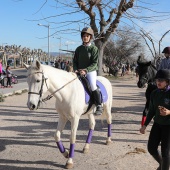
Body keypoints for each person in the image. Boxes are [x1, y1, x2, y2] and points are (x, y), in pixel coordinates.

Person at [140, 69, 170, 170]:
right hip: (157, 124)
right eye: (157, 80)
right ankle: (162, 165)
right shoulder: (154, 93)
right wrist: (144, 125)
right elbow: (151, 111)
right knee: (151, 148)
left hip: (168, 127)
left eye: (161, 80)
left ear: (167, 81)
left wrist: (169, 112)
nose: (158, 82)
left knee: (165, 153)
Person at [73, 27, 102, 115]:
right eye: (84, 36)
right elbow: (75, 61)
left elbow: (94, 63)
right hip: (79, 71)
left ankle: (99, 105)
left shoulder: (94, 49)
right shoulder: (78, 49)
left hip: (90, 71)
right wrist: (75, 69)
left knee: (93, 86)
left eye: (87, 36)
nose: (85, 37)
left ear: (90, 37)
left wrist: (86, 70)